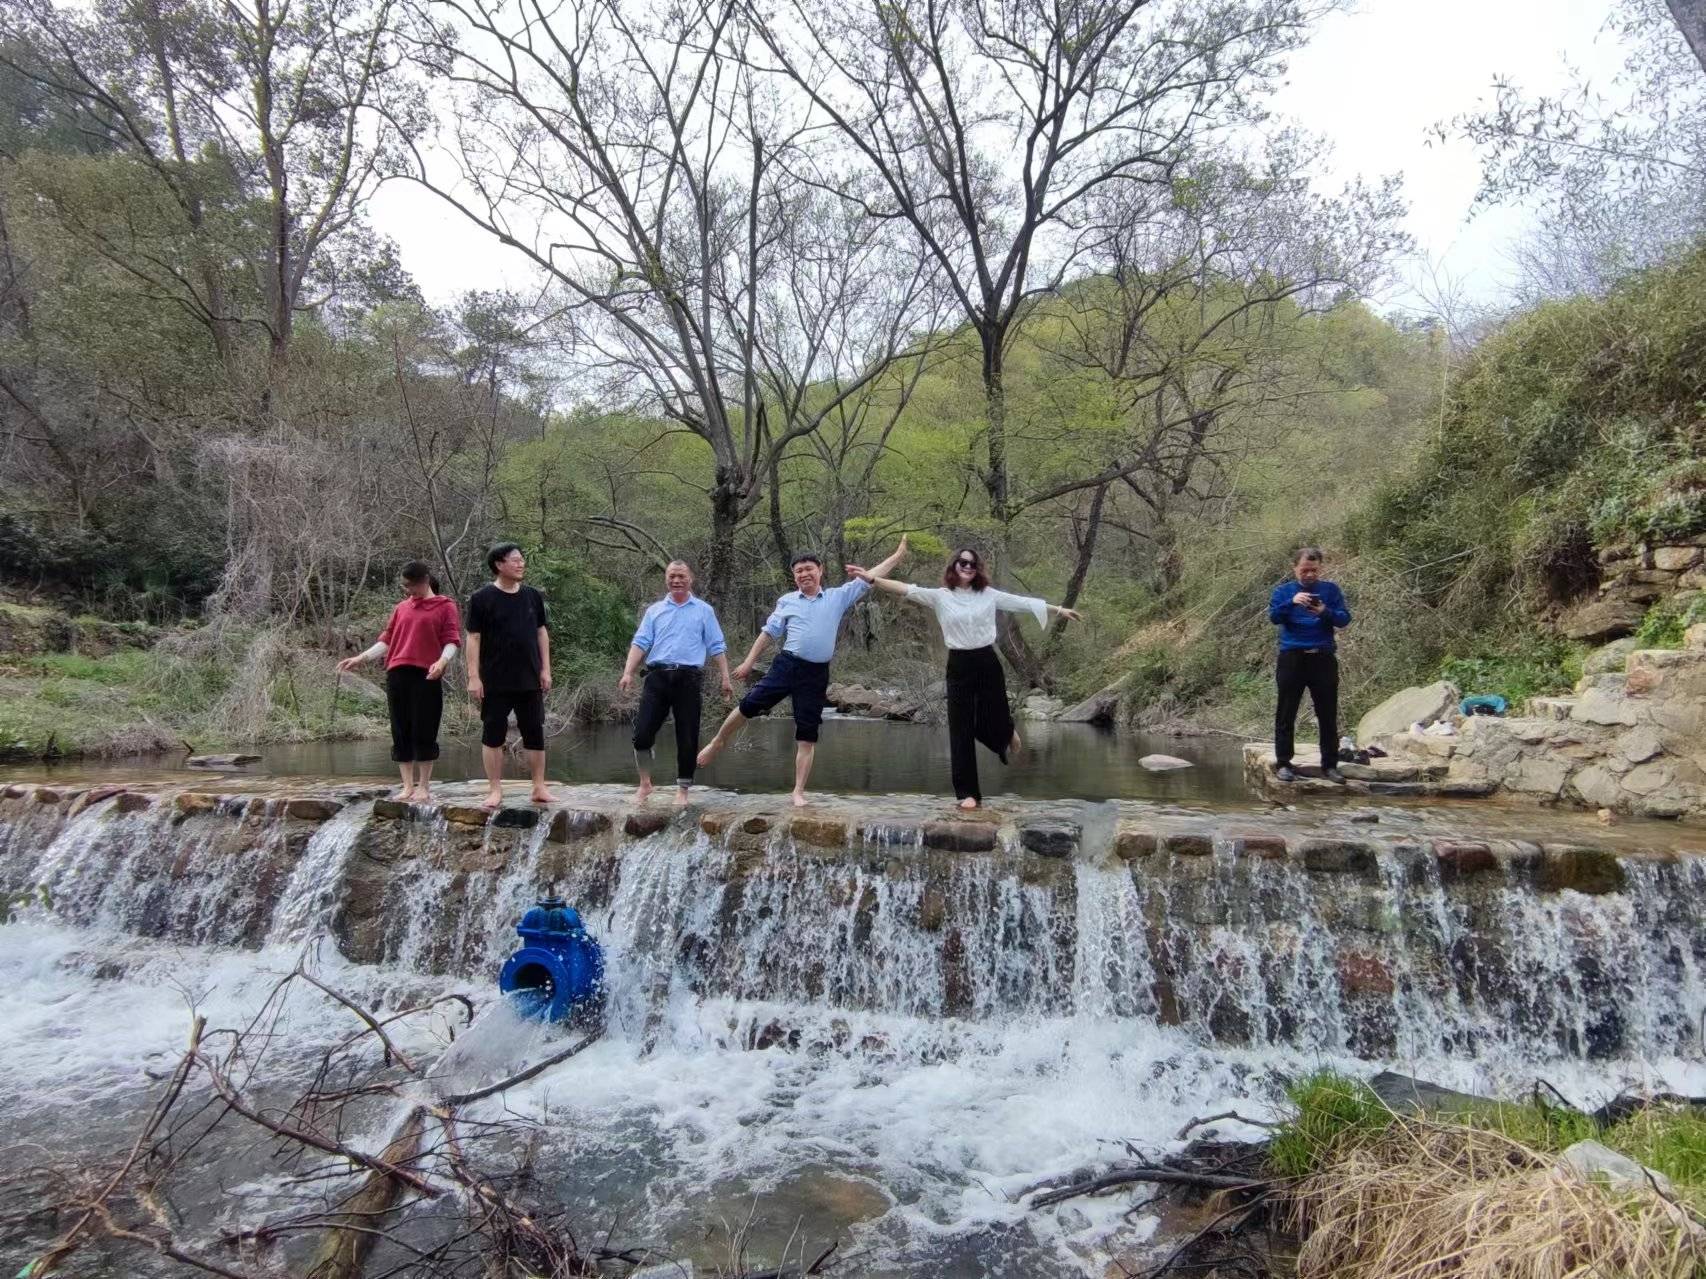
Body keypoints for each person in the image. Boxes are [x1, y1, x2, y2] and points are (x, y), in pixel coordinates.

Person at [848, 547, 1081, 809]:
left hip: (987, 660)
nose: (968, 567)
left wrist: (1059, 610)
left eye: (972, 564)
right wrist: (871, 579)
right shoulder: (940, 596)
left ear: (977, 569)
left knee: (994, 712)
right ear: (954, 566)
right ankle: (967, 794)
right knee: (960, 729)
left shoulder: (988, 595)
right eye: (963, 562)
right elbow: (904, 588)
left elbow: (1022, 602)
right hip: (958, 663)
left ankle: (1005, 732)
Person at [697, 538, 908, 806]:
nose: (804, 574)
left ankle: (797, 791)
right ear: (794, 576)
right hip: (787, 665)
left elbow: (871, 576)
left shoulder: (837, 597)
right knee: (749, 705)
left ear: (820, 570)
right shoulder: (787, 601)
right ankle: (718, 741)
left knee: (807, 733)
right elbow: (768, 634)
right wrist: (749, 662)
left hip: (815, 674)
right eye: (798, 571)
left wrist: (898, 556)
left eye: (809, 568)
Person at [338, 561, 460, 802]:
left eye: (410, 585)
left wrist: (442, 661)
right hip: (397, 674)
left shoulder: (445, 607)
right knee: (400, 728)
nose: (407, 590)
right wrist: (360, 658)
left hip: (427, 674)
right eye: (405, 586)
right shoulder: (401, 608)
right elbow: (388, 640)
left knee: (425, 728)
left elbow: (451, 640)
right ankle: (407, 786)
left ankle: (424, 786)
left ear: (424, 580)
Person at [618, 560, 735, 806]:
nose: (676, 580)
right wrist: (628, 672)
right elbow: (640, 642)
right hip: (657, 677)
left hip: (688, 678)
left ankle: (682, 789)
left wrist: (725, 677)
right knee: (642, 735)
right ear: (666, 579)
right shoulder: (654, 611)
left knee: (687, 736)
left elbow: (716, 645)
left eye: (681, 576)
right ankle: (645, 784)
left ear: (690, 579)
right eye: (672, 576)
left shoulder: (704, 610)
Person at [465, 542, 555, 809]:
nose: (521, 564)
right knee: (493, 732)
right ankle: (495, 790)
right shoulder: (482, 598)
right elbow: (473, 637)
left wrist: (545, 669)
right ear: (499, 564)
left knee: (534, 732)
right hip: (495, 678)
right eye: (515, 560)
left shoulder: (532, 596)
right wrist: (473, 676)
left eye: (522, 559)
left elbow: (541, 633)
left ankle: (539, 787)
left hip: (529, 676)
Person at [1268, 546, 1352, 784]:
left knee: (1327, 713)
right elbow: (1274, 617)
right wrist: (1292, 603)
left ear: (1320, 568)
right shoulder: (1283, 591)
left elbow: (1344, 619)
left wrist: (1325, 611)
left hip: (1322, 657)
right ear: (1295, 569)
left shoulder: (1331, 590)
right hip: (1292, 657)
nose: (1309, 575)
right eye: (1304, 570)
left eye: (1314, 570)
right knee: (1286, 712)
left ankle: (1330, 765)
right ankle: (1284, 763)